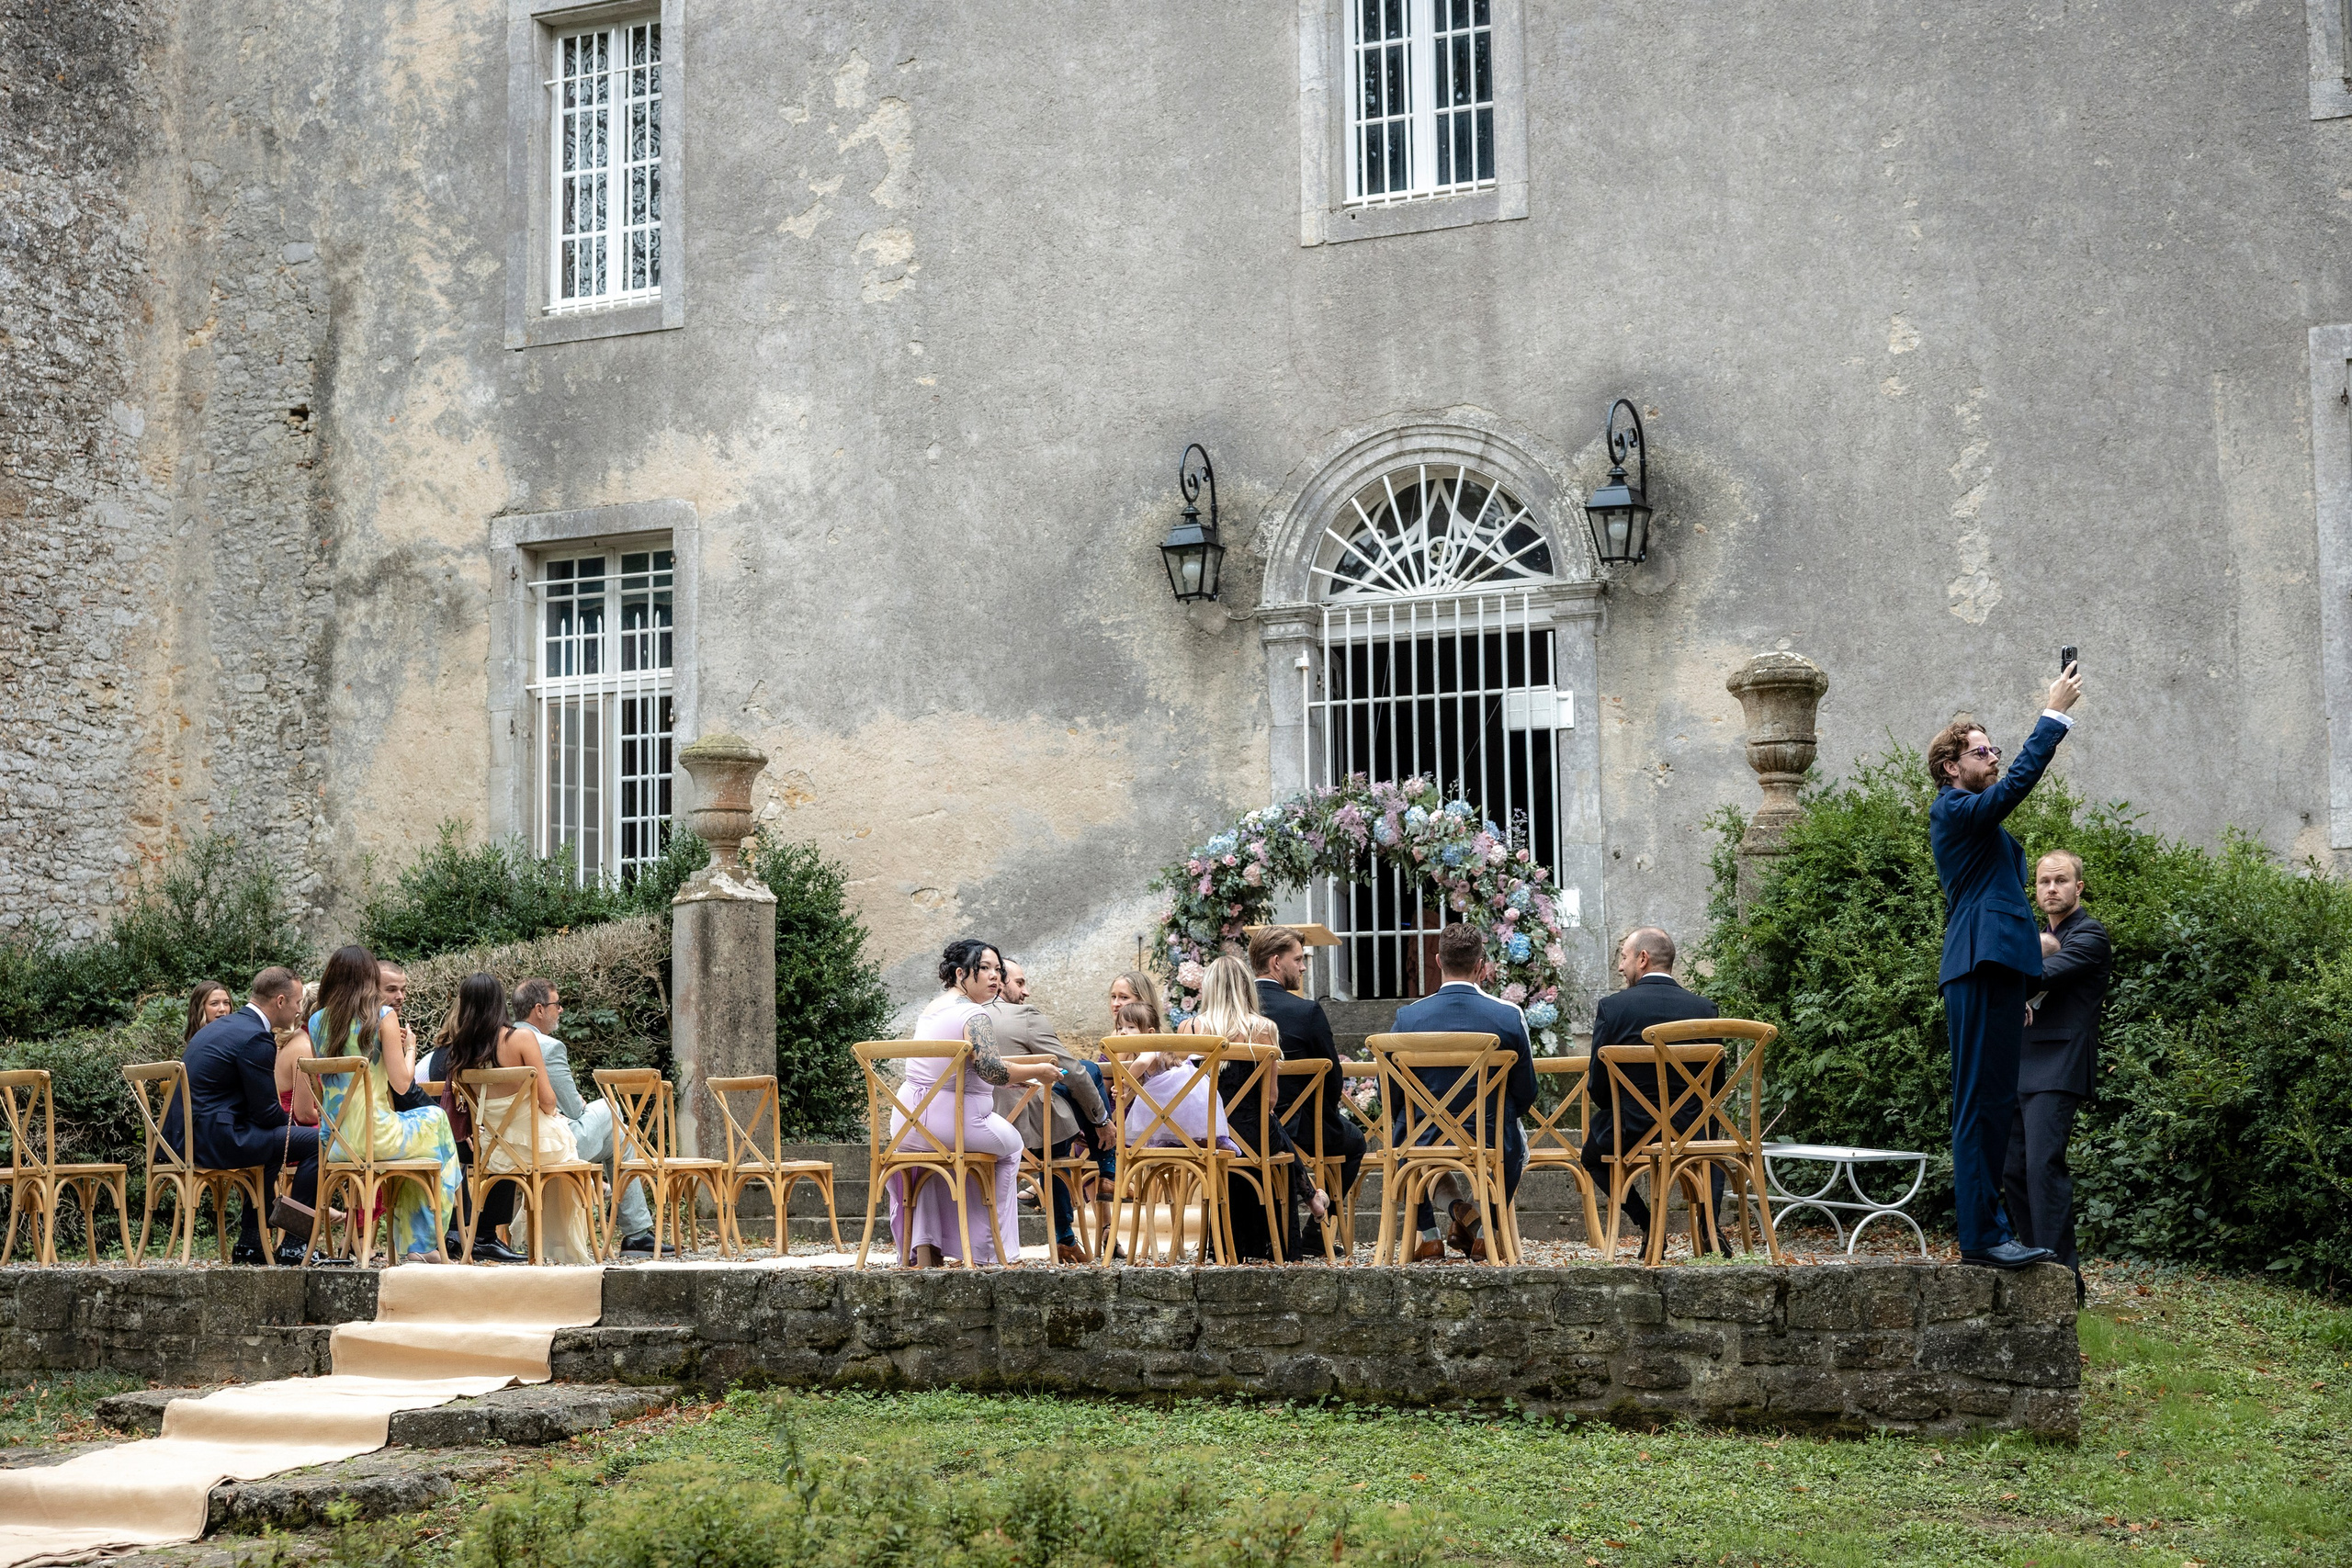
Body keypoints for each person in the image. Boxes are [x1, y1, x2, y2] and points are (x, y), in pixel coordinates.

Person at [1928, 661, 2083, 1270]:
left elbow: (1996, 901)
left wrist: (2021, 979)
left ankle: (1989, 1232)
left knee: (1993, 1105)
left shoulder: (1972, 818)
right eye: (1982, 751)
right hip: (1977, 965)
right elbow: (2014, 786)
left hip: (1994, 970)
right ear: (1951, 767)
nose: (1993, 758)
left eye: (1994, 749)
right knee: (1978, 1104)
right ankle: (1982, 1236)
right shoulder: (1953, 809)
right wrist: (2053, 715)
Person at [888, 941, 1058, 1267]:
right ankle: (993, 1251)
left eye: (998, 970)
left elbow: (962, 1067)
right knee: (1011, 1146)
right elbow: (992, 1069)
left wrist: (1011, 1076)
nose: (995, 976)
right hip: (950, 1120)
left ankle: (927, 1249)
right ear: (960, 973)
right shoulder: (974, 1014)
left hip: (908, 1122)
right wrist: (1039, 1071)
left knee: (935, 1163)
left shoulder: (932, 1009)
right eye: (984, 968)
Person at [1389, 923, 1537, 1262]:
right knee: (1514, 1141)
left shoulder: (1408, 1018)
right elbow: (1526, 1091)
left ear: (1438, 962)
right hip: (1489, 1133)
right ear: (1480, 966)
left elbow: (1395, 1096)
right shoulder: (1508, 1016)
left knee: (1405, 1134)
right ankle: (1483, 1234)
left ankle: (1430, 1237)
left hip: (1423, 1136)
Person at [309, 943, 464, 1263]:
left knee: (422, 1153)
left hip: (335, 1143)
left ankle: (419, 1245)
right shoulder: (382, 1017)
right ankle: (423, 1243)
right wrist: (410, 1050)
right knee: (437, 1119)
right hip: (376, 1137)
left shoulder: (317, 1021)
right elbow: (403, 1083)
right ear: (370, 978)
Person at [2002, 849, 2110, 1295]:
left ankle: (2064, 1285)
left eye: (2061, 880)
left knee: (2043, 1169)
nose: (2051, 888)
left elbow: (2042, 974)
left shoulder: (2090, 935)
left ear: (2078, 887)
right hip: (2018, 1063)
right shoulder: (2035, 936)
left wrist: (2004, 978)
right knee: (2012, 1171)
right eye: (2044, 881)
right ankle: (2035, 1267)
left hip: (2059, 1064)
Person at [434, 971, 595, 1264]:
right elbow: (548, 1102)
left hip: (492, 1149)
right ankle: (557, 1244)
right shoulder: (520, 1038)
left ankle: (515, 1240)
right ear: (500, 1002)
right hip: (536, 1144)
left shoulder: (461, 1051)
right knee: (570, 1147)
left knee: (532, 1150)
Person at [1180, 955, 1329, 1260]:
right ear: (1247, 987)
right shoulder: (1264, 1029)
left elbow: (1183, 1090)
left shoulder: (1188, 1028)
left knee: (1262, 1126)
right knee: (1270, 1126)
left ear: (1208, 988)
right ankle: (1309, 1199)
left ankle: (1231, 1241)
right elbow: (1270, 1099)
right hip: (1253, 1136)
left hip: (1206, 1137)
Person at [1584, 927, 1720, 1254]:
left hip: (1631, 1129)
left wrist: (1621, 1108)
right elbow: (1714, 1088)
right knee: (1711, 1142)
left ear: (1643, 958)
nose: (1621, 966)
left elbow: (1597, 1087)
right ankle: (1710, 1228)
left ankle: (1648, 1224)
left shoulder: (1613, 1008)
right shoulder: (1705, 1009)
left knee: (1591, 1155)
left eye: (1624, 957)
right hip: (1691, 1131)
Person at [503, 977, 662, 1256]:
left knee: (617, 1135)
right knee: (610, 1110)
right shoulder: (548, 1047)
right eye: (557, 1004)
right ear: (539, 1009)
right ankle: (637, 1234)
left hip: (507, 1145)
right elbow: (573, 1108)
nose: (561, 1010)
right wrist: (579, 1103)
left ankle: (637, 1233)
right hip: (547, 1145)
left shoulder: (498, 1042)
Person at [173, 967, 317, 1266]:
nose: (299, 1010)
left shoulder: (223, 1027)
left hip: (186, 1139)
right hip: (215, 1141)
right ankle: (295, 1243)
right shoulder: (256, 1037)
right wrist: (298, 1126)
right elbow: (266, 1113)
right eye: (297, 1002)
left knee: (271, 1144)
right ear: (280, 1001)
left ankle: (251, 1243)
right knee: (318, 1142)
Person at [988, 959, 1112, 1264]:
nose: (1026, 992)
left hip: (981, 1131)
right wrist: (1101, 1120)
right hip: (1029, 1134)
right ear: (999, 982)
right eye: (1020, 983)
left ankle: (1066, 1237)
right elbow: (1072, 1071)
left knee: (1054, 1127)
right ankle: (1108, 1167)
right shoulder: (1024, 1017)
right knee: (1089, 1070)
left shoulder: (965, 1019)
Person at [1250, 928, 1366, 1242]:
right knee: (1356, 1141)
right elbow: (1333, 1077)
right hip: (1301, 1128)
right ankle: (1317, 1234)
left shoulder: (1236, 1012)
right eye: (1298, 959)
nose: (1303, 967)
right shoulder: (1306, 1011)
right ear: (1276, 962)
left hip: (1242, 1130)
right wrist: (1324, 1116)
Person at [182, 980, 232, 1044]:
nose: (222, 1009)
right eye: (214, 1003)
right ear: (200, 1007)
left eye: (226, 1003)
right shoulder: (195, 1044)